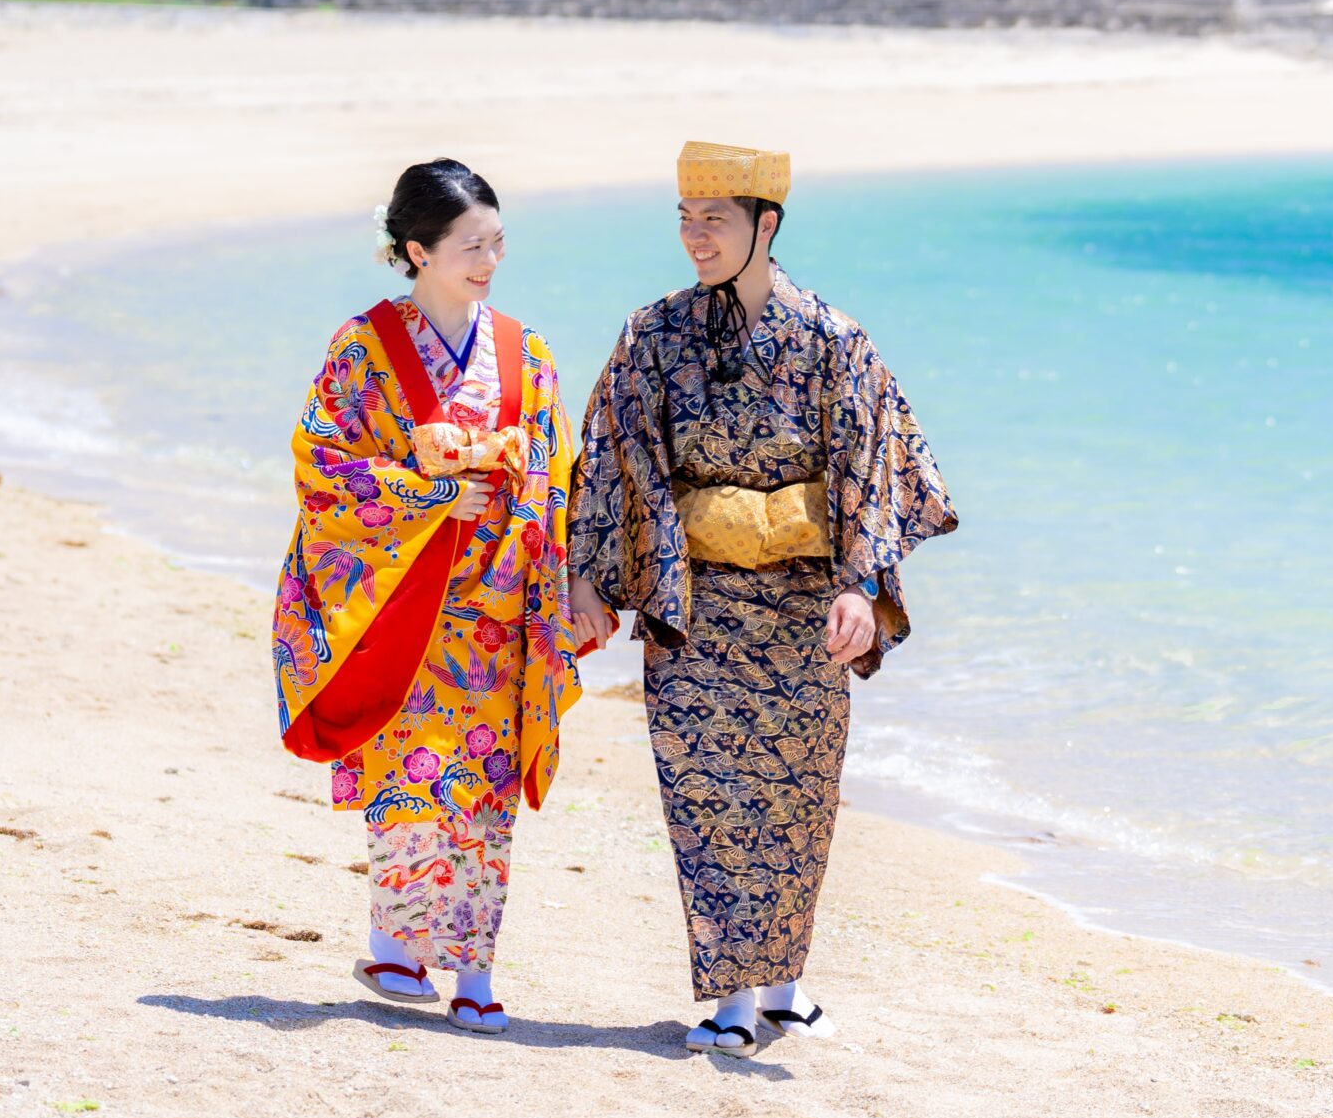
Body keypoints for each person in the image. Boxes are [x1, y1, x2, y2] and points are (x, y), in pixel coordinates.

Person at [570, 141, 955, 1057]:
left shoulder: (834, 339)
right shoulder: (652, 333)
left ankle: (782, 986)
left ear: (765, 225)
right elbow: (608, 449)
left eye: (716, 220)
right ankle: (734, 996)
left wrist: (861, 584)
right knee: (704, 792)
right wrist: (585, 575)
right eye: (684, 219)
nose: (695, 237)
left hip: (800, 606)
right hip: (694, 602)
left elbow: (871, 460)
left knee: (795, 798)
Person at [271, 158, 582, 1036]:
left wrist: (528, 508)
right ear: (417, 249)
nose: (489, 260)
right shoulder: (364, 346)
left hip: (496, 605)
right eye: (470, 245)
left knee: (482, 785)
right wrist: (433, 491)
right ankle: (395, 941)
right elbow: (323, 465)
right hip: (407, 601)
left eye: (497, 241)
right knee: (412, 778)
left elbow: (560, 472)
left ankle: (476, 966)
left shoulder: (528, 350)